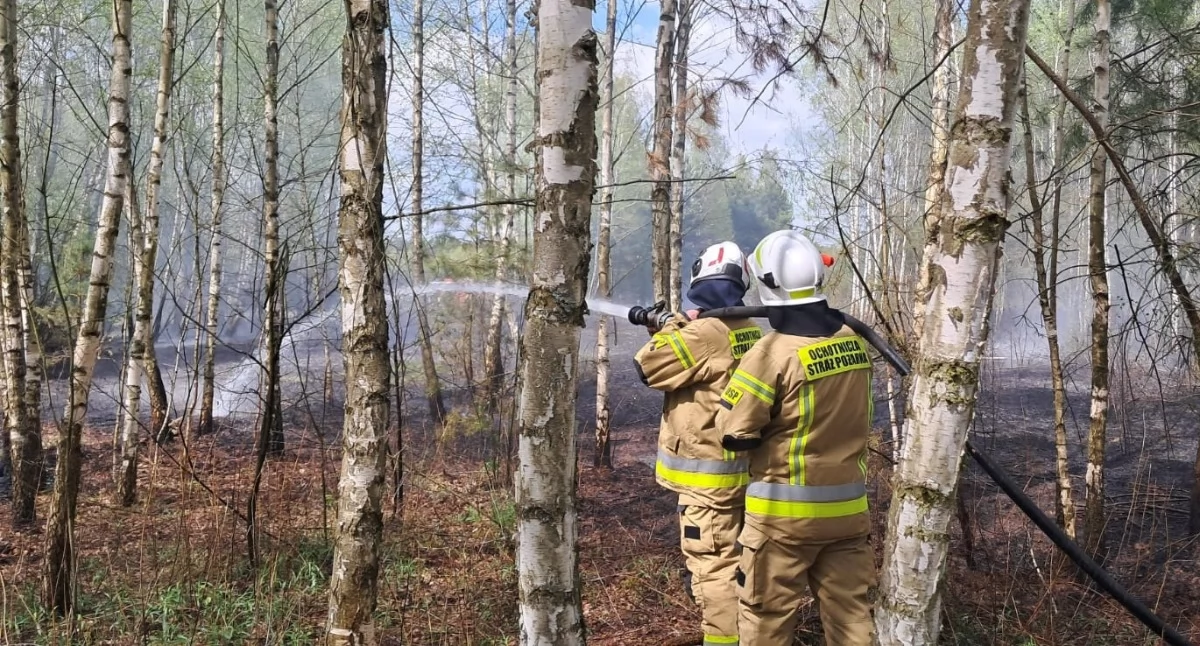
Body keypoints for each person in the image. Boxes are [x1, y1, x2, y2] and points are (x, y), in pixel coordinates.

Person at [716, 229, 876, 645]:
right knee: (852, 620)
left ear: (767, 282)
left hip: (782, 519)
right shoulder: (853, 342)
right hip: (848, 514)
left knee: (765, 619)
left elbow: (733, 432)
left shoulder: (771, 353)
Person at [633, 241, 764, 646]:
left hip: (709, 483)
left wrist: (671, 325)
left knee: (713, 567)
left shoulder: (704, 333)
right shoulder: (747, 327)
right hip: (742, 472)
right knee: (740, 562)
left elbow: (648, 367)